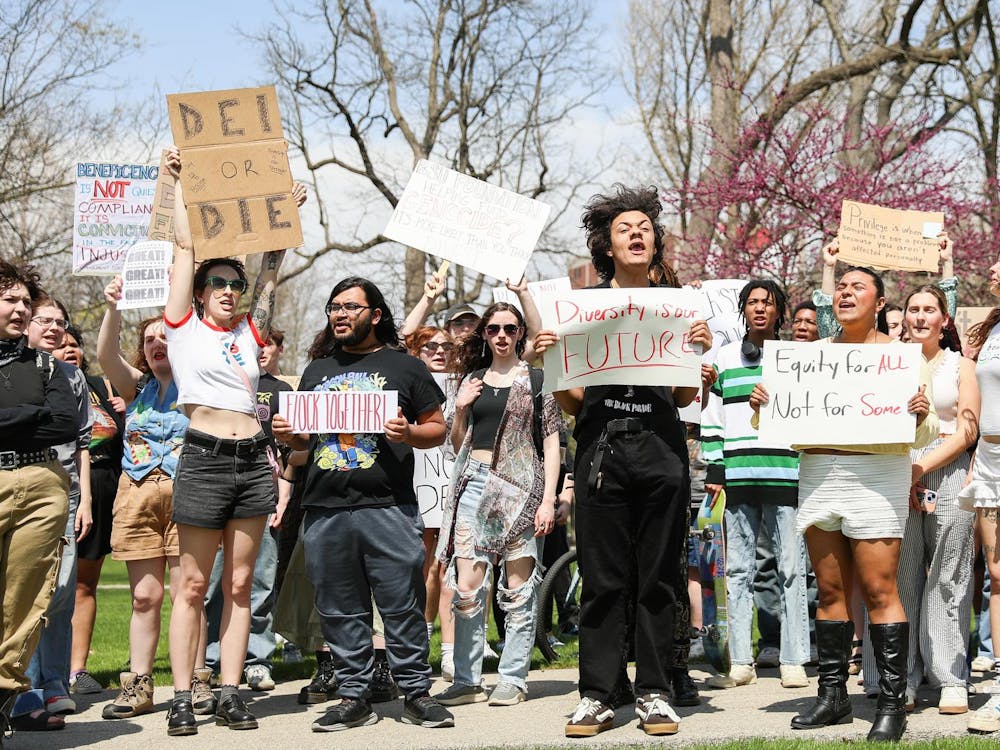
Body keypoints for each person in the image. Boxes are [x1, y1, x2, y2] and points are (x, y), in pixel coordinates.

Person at [533, 185, 712, 738]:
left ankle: (657, 692)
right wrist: (552, 360)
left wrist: (697, 359)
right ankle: (598, 694)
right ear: (607, 247)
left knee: (659, 578)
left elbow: (682, 401)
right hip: (602, 452)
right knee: (604, 579)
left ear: (656, 241)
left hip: (662, 452)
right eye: (624, 229)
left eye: (645, 228)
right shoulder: (582, 310)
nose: (637, 234)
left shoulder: (679, 306)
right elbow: (571, 403)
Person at [750, 264, 936, 742]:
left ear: (878, 302)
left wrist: (919, 415)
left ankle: (892, 703)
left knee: (878, 588)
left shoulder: (901, 356)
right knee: (830, 591)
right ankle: (831, 696)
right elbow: (778, 426)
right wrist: (762, 407)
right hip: (819, 475)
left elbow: (929, 429)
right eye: (841, 287)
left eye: (858, 287)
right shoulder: (806, 357)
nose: (846, 293)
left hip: (876, 477)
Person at [162, 145, 306, 735]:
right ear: (198, 293)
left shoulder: (249, 331)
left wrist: (284, 213)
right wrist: (174, 181)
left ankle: (229, 690)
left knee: (242, 585)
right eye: (217, 284)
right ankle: (180, 696)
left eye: (233, 284)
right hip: (202, 457)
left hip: (252, 461)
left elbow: (270, 270)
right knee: (194, 584)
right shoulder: (182, 327)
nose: (227, 289)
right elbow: (185, 247)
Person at [272, 277, 455, 732]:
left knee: (402, 604)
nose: (339, 314)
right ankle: (353, 695)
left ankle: (415, 693)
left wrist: (408, 434)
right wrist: (287, 433)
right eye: (334, 307)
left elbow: (438, 428)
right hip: (325, 509)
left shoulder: (406, 367)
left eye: (351, 307)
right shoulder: (316, 370)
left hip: (388, 507)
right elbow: (303, 440)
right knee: (339, 608)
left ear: (375, 315)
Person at [432, 302, 561, 707]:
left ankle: (512, 678)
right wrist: (460, 408)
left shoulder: (538, 379)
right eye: (493, 329)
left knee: (518, 589)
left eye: (509, 328)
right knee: (467, 589)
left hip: (521, 491)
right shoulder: (471, 379)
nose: (501, 335)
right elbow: (457, 445)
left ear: (520, 332)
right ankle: (467, 679)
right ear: (484, 335)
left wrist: (549, 498)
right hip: (473, 486)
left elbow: (553, 442)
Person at [702, 280, 810, 690]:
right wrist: (714, 468)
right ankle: (741, 661)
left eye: (768, 302)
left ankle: (794, 659)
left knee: (791, 568)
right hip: (739, 475)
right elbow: (711, 414)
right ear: (743, 310)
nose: (760, 309)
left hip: (787, 474)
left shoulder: (797, 358)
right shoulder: (725, 358)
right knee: (740, 569)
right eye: (752, 303)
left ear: (780, 310)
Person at [96, 281, 191, 722]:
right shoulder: (135, 387)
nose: (156, 344)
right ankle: (137, 687)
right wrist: (113, 308)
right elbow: (104, 357)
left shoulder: (198, 387)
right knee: (144, 597)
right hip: (136, 496)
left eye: (165, 337)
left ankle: (193, 684)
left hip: (188, 495)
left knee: (189, 594)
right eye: (149, 339)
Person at [893, 285, 979, 714]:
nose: (921, 316)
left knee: (949, 577)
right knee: (903, 577)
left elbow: (967, 431)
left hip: (946, 472)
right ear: (903, 316)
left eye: (930, 310)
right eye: (913, 309)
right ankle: (902, 678)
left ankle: (950, 677)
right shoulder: (890, 361)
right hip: (896, 472)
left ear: (945, 319)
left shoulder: (962, 366)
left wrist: (923, 467)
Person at [0, 261, 76, 735]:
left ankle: (4, 693)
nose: (22, 308)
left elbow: (64, 423)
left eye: (26, 301)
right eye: (11, 299)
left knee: (24, 597)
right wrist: (29, 414)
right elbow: (41, 416)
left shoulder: (47, 364)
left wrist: (16, 415)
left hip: (43, 485)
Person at [10, 296, 93, 730]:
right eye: (45, 320)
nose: (53, 328)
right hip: (20, 490)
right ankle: (23, 690)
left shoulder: (70, 376)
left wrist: (86, 503)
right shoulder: (15, 372)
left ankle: (54, 681)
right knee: (23, 596)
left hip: (65, 498)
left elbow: (79, 441)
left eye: (61, 322)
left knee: (59, 594)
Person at [203, 325, 294, 693]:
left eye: (267, 345)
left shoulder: (281, 390)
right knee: (213, 584)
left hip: (265, 491)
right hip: (217, 487)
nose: (260, 351)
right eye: (253, 344)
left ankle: (256, 659)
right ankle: (211, 659)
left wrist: (284, 492)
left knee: (258, 581)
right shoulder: (220, 383)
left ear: (277, 350)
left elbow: (292, 448)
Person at [64, 324, 125, 697]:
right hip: (62, 484)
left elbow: (125, 437)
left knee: (85, 583)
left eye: (75, 345)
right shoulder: (43, 385)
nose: (70, 350)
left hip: (102, 487)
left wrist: (126, 410)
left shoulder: (101, 388)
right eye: (63, 345)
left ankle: (76, 670)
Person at [958, 251, 1000, 734]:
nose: (990, 268)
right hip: (988, 461)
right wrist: (974, 462)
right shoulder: (990, 330)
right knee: (996, 572)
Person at [405, 326, 458, 679]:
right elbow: (400, 335)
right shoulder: (407, 381)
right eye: (430, 346)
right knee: (423, 566)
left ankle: (452, 653)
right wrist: (427, 299)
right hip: (418, 480)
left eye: (446, 346)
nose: (438, 351)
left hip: (454, 480)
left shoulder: (465, 383)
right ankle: (422, 644)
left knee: (450, 566)